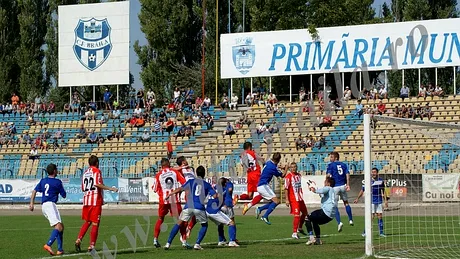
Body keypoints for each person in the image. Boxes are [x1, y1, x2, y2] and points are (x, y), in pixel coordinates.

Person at [164, 166, 216, 250]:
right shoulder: (207, 184)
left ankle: (168, 243)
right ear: (204, 174)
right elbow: (214, 195)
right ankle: (197, 244)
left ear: (196, 173)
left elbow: (180, 188)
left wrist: (170, 194)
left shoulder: (191, 181)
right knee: (204, 225)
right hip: (199, 207)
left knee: (179, 223)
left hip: (189, 206)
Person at [75, 155, 118, 253]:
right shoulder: (97, 171)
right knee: (95, 223)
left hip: (86, 200)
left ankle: (79, 239)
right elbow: (97, 184)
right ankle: (91, 246)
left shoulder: (85, 173)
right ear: (97, 163)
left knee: (87, 221)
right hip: (95, 201)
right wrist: (111, 188)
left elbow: (83, 188)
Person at [29, 164, 67, 256]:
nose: (57, 171)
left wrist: (31, 203)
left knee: (61, 226)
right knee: (58, 227)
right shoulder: (57, 182)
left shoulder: (43, 180)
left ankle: (60, 249)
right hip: (50, 205)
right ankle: (48, 244)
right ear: (54, 171)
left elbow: (34, 191)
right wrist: (60, 187)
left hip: (44, 206)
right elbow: (64, 195)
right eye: (56, 169)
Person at [152, 158, 188, 248]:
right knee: (180, 220)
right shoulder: (174, 172)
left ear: (161, 165)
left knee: (160, 219)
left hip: (163, 200)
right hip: (174, 200)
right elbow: (184, 183)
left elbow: (154, 189)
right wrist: (179, 191)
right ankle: (184, 241)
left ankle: (155, 239)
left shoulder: (158, 175)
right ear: (168, 164)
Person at [254, 152, 287, 225]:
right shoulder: (273, 167)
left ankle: (260, 209)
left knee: (275, 202)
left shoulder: (269, 162)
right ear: (278, 160)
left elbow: (274, 167)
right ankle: (265, 216)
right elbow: (282, 175)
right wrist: (286, 168)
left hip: (262, 185)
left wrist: (281, 167)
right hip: (263, 186)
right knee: (276, 201)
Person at [354, 168, 388, 237]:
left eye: (374, 172)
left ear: (377, 173)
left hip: (379, 200)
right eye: (372, 172)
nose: (373, 173)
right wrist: (357, 198)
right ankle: (365, 232)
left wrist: (386, 200)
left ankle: (381, 233)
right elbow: (362, 190)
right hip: (371, 201)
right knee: (371, 217)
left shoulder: (380, 181)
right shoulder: (368, 181)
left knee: (380, 216)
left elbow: (383, 191)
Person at [206, 177, 239, 247]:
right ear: (225, 183)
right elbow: (228, 191)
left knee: (220, 224)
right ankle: (232, 240)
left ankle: (221, 240)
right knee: (232, 222)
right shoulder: (225, 187)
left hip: (209, 210)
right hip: (224, 206)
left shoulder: (214, 187)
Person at [305, 177, 337, 245]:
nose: (324, 182)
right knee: (314, 221)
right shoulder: (333, 190)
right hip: (330, 216)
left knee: (307, 218)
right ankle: (318, 240)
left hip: (326, 212)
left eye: (325, 181)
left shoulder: (328, 188)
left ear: (328, 183)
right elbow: (322, 194)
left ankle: (311, 237)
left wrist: (314, 190)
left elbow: (321, 191)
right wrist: (313, 188)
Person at [326, 152, 353, 232]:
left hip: (335, 187)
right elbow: (347, 174)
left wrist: (327, 183)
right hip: (343, 186)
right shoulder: (344, 165)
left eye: (331, 157)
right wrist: (348, 184)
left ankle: (339, 222)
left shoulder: (331, 165)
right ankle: (350, 219)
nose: (330, 159)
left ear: (336, 158)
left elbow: (328, 175)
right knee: (346, 203)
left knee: (334, 206)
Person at [284, 162, 308, 239]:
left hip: (300, 197)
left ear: (297, 167)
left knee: (305, 213)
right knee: (297, 215)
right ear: (290, 168)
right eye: (292, 167)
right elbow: (286, 188)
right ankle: (294, 232)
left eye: (295, 167)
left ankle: (300, 228)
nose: (293, 168)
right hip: (293, 199)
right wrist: (287, 199)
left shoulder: (299, 175)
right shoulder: (288, 177)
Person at [241, 142, 265, 215]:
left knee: (250, 196)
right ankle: (249, 206)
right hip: (255, 174)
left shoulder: (242, 155)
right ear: (249, 147)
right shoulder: (252, 153)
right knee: (263, 193)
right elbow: (261, 159)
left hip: (249, 175)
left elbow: (243, 165)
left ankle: (238, 197)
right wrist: (264, 163)